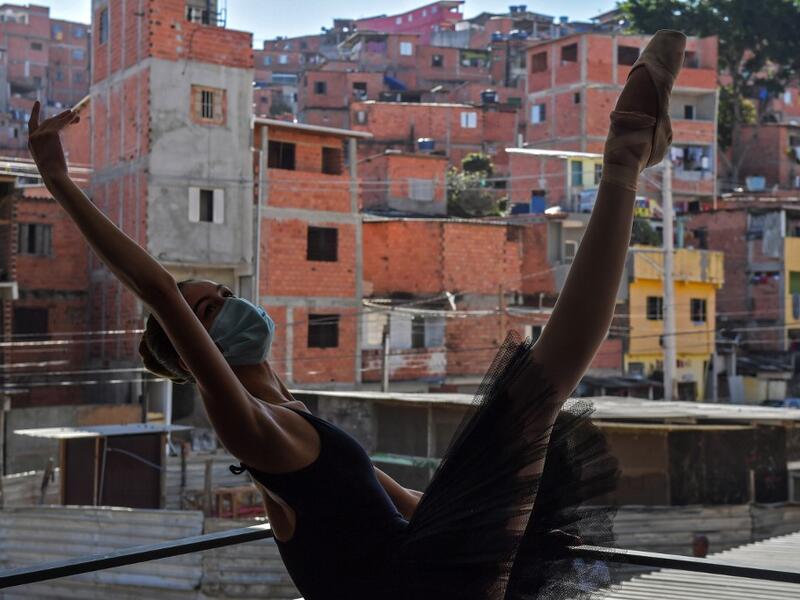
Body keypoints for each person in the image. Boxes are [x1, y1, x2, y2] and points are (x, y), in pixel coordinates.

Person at [27, 29, 686, 600]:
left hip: (424, 565)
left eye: (223, 295)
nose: (228, 304)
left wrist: (491, 516)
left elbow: (395, 504)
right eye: (206, 309)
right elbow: (160, 291)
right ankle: (624, 159)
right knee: (538, 387)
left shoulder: (292, 414)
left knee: (537, 391)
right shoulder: (250, 430)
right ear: (190, 348)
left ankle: (627, 156)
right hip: (410, 590)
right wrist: (59, 183)